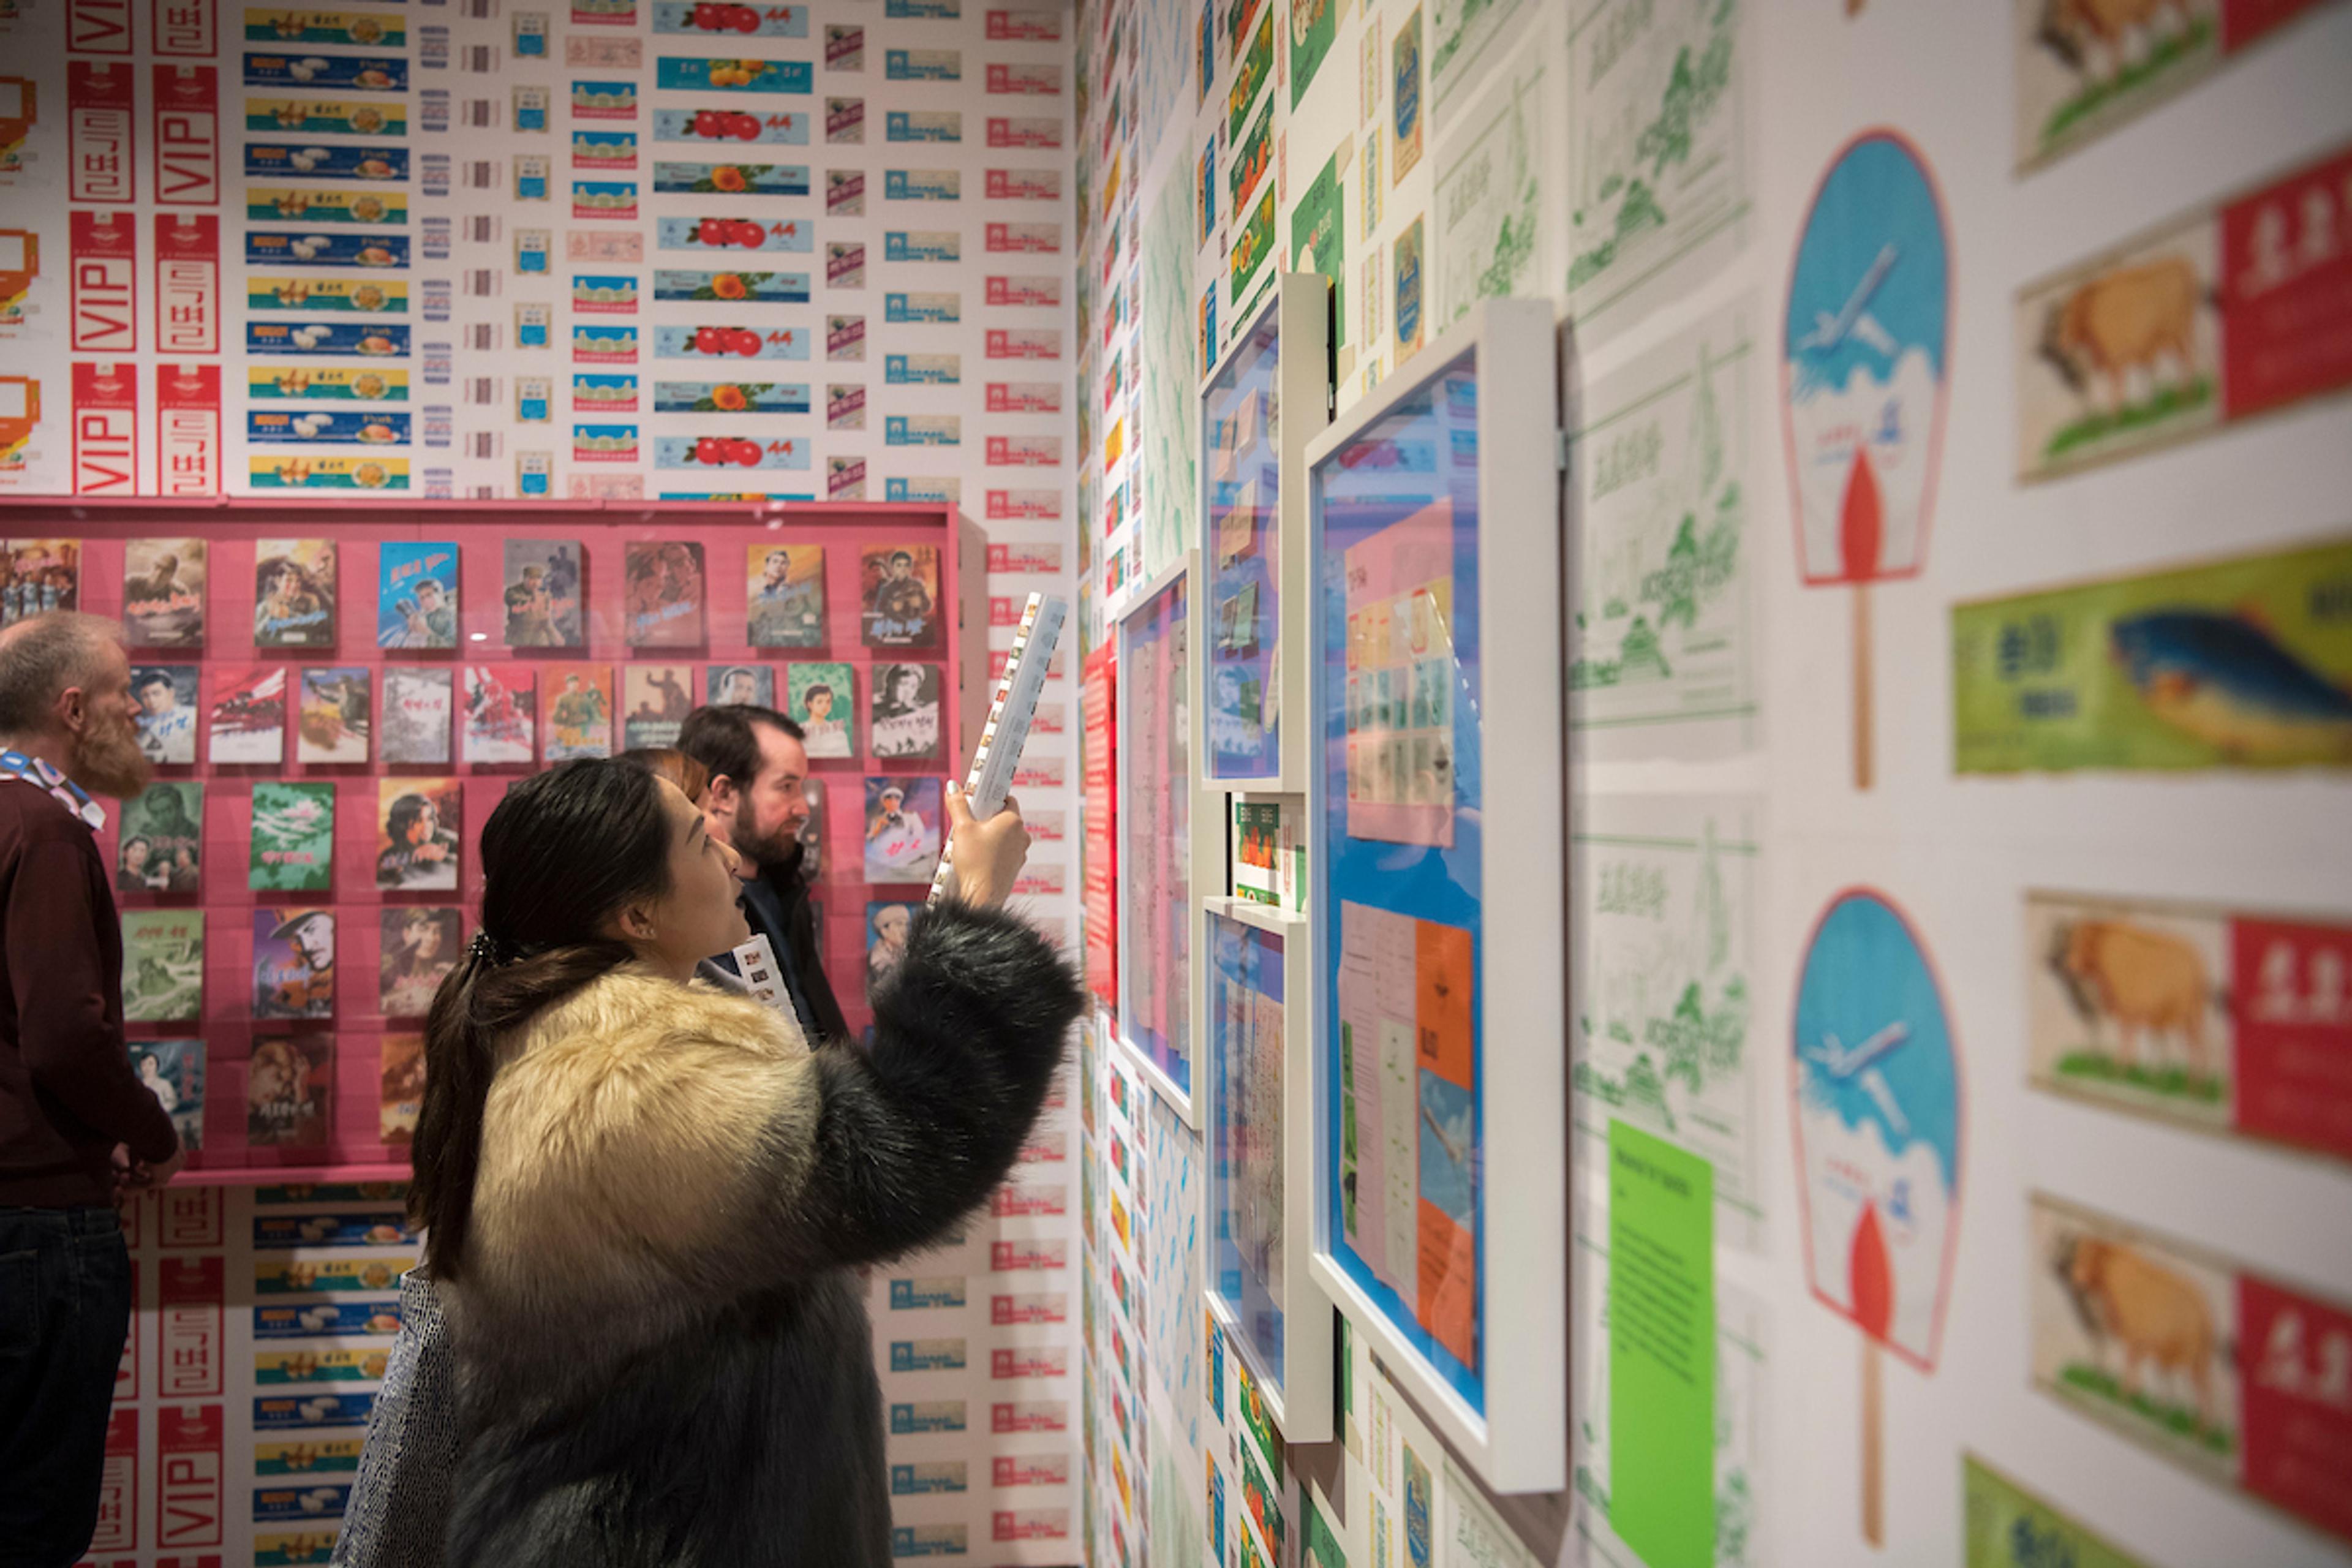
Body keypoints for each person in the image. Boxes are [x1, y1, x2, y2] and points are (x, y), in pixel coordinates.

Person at [395, 758, 1073, 1566]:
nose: (725, 856)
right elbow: (895, 1153)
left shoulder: (580, 1038)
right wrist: (972, 910)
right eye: (696, 840)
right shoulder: (618, 1083)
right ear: (638, 915)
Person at [0, 612, 184, 1566]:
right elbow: (67, 1037)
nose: (138, 709)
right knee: (35, 1518)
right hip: (36, 1226)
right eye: (123, 693)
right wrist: (154, 1134)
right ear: (72, 708)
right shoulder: (46, 830)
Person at [679, 704, 847, 1040]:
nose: (802, 808)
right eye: (786, 787)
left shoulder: (784, 884)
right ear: (724, 794)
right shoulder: (689, 915)